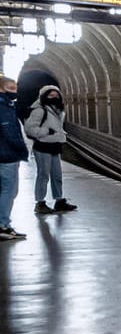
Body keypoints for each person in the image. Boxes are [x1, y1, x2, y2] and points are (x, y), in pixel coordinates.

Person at [24, 85, 75, 214]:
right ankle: (40, 203)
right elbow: (29, 129)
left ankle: (59, 201)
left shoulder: (58, 110)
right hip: (43, 146)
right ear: (44, 96)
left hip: (55, 145)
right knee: (43, 175)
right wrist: (46, 131)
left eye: (56, 95)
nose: (54, 97)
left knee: (57, 175)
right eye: (50, 95)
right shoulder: (39, 110)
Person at [0, 76, 28, 241]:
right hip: (7, 155)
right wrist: (22, 150)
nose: (15, 92)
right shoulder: (4, 107)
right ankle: (3, 225)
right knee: (9, 190)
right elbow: (9, 131)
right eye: (11, 88)